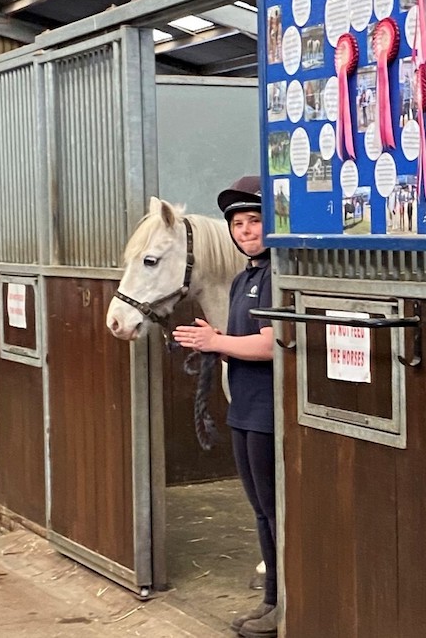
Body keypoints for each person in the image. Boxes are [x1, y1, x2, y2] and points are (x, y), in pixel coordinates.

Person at [173, 176, 278, 638]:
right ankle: (272, 597)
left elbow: (274, 344)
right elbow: (238, 341)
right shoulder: (244, 278)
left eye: (255, 221)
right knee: (259, 508)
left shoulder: (278, 276)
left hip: (268, 409)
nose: (245, 231)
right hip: (245, 408)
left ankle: (285, 600)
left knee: (275, 508)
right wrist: (211, 344)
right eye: (238, 223)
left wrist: (216, 340)